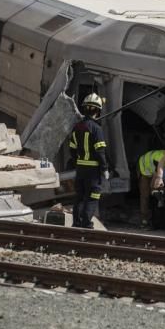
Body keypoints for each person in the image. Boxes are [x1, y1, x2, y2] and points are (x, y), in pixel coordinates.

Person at [69, 93, 109, 229]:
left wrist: (78, 161)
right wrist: (105, 168)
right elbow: (100, 151)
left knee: (79, 196)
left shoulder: (76, 127)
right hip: (93, 170)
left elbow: (72, 149)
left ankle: (76, 222)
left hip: (80, 168)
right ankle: (86, 224)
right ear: (97, 111)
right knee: (92, 197)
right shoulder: (97, 129)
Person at [136, 148, 165, 229]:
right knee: (145, 194)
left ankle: (156, 219)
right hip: (143, 168)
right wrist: (157, 192)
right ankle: (144, 220)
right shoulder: (159, 160)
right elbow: (155, 181)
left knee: (157, 191)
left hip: (153, 168)